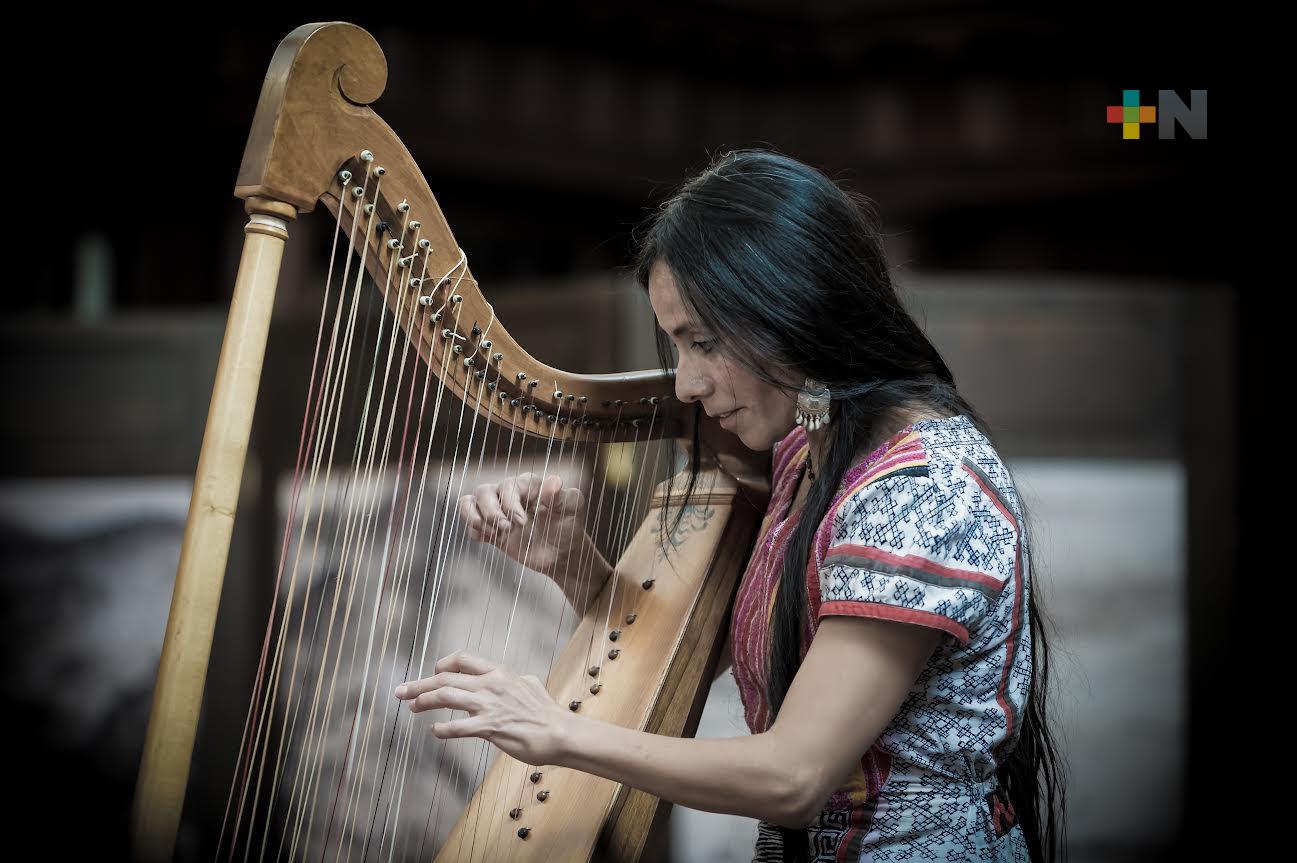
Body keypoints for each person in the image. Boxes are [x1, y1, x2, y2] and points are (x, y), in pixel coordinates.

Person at [394, 150, 1067, 862]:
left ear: (797, 308)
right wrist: (568, 561)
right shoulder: (813, 454)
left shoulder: (920, 491)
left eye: (703, 342)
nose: (684, 383)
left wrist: (558, 729)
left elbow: (794, 775)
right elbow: (698, 653)